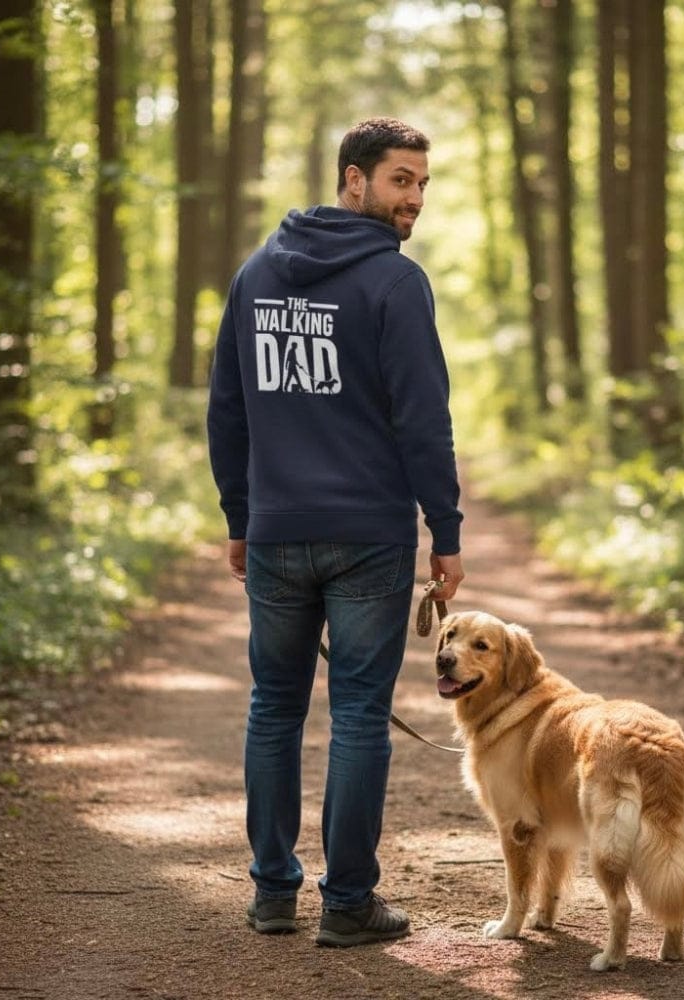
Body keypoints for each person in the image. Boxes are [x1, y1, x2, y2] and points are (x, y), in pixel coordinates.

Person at [206, 117, 464, 948]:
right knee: (354, 713)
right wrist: (446, 532)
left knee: (274, 709)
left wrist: (244, 517)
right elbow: (425, 421)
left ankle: (273, 895)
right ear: (353, 179)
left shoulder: (255, 275)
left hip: (281, 533)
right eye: (400, 180)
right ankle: (346, 903)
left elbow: (229, 412)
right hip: (365, 538)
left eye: (423, 182)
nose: (414, 199)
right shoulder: (395, 285)